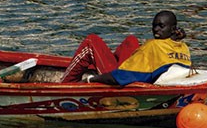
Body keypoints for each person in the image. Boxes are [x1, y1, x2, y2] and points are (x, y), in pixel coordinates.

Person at [63, 10, 193, 86]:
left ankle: (65, 84)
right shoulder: (182, 46)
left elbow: (120, 77)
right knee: (131, 41)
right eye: (154, 26)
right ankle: (103, 61)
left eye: (160, 26)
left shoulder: (152, 46)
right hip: (139, 69)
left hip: (121, 79)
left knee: (91, 42)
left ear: (172, 29)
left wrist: (90, 79)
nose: (155, 30)